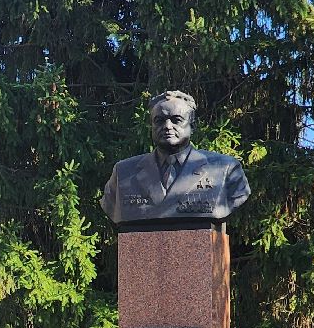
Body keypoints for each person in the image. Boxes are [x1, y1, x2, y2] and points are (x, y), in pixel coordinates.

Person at [101, 90, 250, 227]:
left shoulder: (226, 169)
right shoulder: (124, 172)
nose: (167, 126)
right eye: (159, 120)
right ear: (151, 125)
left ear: (193, 125)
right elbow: (110, 205)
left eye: (176, 120)